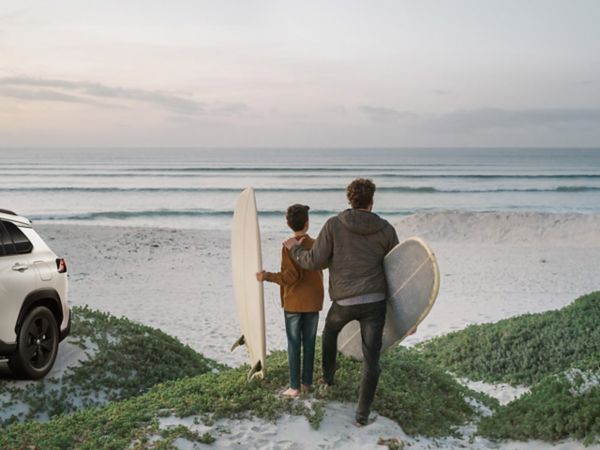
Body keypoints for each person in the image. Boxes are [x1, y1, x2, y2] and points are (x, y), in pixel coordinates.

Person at [283, 178, 399, 425]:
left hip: (344, 301)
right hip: (375, 302)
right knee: (371, 358)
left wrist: (294, 248)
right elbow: (399, 272)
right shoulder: (386, 229)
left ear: (350, 199)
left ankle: (328, 379)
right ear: (372, 201)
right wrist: (409, 314)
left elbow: (314, 261)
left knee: (330, 332)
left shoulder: (334, 225)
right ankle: (362, 416)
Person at [257, 204, 324, 398]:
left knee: (294, 343)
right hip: (312, 301)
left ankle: (294, 387)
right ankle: (307, 384)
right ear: (307, 223)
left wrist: (266, 276)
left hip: (294, 302)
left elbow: (290, 277)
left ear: (288, 223)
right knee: (309, 342)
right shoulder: (317, 243)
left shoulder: (288, 246)